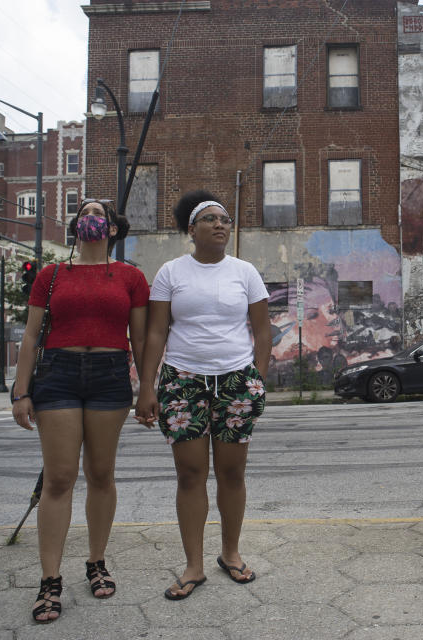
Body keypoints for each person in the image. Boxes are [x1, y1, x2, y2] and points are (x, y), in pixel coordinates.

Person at [11, 198, 148, 623]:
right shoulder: (51, 276)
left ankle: (96, 561)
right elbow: (32, 335)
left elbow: (140, 340)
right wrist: (20, 391)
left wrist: (148, 389)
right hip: (58, 373)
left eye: (99, 214)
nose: (91, 218)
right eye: (84, 213)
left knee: (101, 474)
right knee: (59, 477)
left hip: (110, 374)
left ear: (111, 229)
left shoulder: (132, 277)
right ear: (75, 227)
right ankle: (49, 581)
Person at [135, 190, 272, 599]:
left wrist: (257, 380)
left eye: (225, 219)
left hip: (235, 380)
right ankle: (193, 565)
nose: (220, 224)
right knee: (190, 474)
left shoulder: (244, 271)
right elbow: (156, 332)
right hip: (183, 381)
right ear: (191, 230)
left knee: (232, 474)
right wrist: (147, 386)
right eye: (210, 219)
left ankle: (230, 553)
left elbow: (263, 331)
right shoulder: (170, 273)